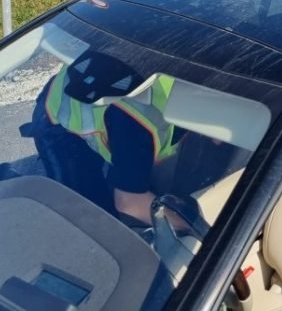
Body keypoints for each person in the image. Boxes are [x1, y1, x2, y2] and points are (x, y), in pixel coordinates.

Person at [29, 65, 240, 228]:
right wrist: (193, 228)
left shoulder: (194, 90)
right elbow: (129, 202)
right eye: (222, 131)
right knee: (93, 218)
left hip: (110, 98)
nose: (220, 141)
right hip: (59, 121)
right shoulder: (140, 124)